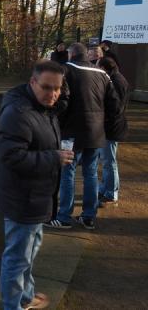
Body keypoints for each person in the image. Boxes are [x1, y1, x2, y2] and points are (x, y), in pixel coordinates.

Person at [0, 60, 74, 310]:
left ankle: (26, 297)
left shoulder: (43, 107)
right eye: (47, 87)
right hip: (23, 200)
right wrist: (54, 158)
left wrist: (69, 70)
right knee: (17, 259)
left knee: (28, 253)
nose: (53, 94)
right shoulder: (18, 113)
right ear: (32, 83)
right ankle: (13, 306)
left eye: (57, 88)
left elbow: (64, 98)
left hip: (38, 196)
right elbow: (11, 156)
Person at [49, 43, 121, 230]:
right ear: (86, 55)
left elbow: (61, 100)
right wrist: (104, 125)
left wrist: (56, 122)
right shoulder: (102, 74)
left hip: (71, 133)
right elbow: (114, 104)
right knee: (90, 174)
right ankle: (88, 216)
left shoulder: (65, 70)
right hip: (96, 133)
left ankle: (64, 216)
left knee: (68, 172)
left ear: (71, 54)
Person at [97, 57, 129, 206]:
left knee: (109, 161)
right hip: (111, 126)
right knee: (106, 160)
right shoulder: (115, 79)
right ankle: (106, 188)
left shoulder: (116, 81)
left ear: (104, 68)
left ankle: (111, 192)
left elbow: (117, 107)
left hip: (112, 127)